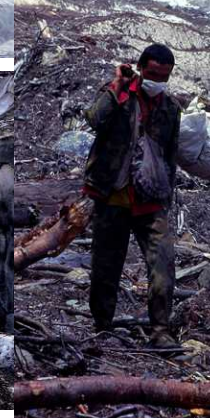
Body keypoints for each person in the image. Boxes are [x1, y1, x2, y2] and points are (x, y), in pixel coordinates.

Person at [83, 44, 181, 348]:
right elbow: (94, 119)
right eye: (152, 74)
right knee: (106, 266)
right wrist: (116, 86)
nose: (157, 81)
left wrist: (168, 195)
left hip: (150, 200)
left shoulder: (170, 109)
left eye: (163, 77)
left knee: (163, 262)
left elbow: (170, 155)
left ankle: (161, 330)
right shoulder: (120, 95)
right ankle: (102, 325)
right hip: (112, 195)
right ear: (140, 69)